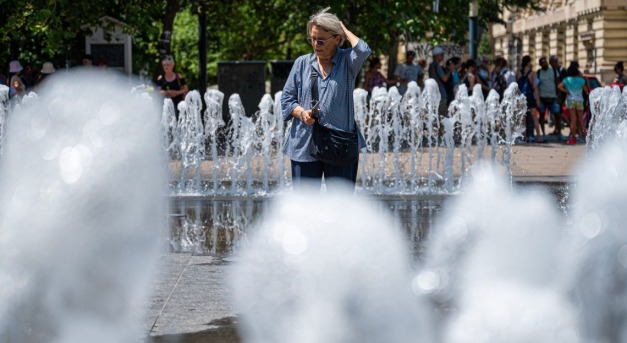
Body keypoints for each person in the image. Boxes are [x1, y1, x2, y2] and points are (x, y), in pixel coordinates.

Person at [280, 7, 371, 189]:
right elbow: (287, 99)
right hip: (305, 143)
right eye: (312, 39)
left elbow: (363, 49)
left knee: (341, 206)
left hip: (340, 144)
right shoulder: (302, 63)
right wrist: (301, 113)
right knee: (305, 205)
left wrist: (344, 30)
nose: (315, 44)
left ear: (337, 39)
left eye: (321, 40)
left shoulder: (347, 61)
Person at [537, 57, 567, 140]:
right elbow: (537, 86)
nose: (544, 64)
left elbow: (558, 84)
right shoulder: (539, 72)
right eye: (542, 63)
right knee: (542, 116)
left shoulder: (553, 71)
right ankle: (543, 133)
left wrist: (559, 96)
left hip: (553, 97)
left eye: (545, 62)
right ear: (540, 65)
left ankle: (559, 133)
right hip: (542, 97)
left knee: (557, 115)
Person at [558, 61, 588, 145]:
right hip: (579, 101)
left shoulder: (566, 80)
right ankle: (585, 137)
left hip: (570, 100)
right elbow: (586, 90)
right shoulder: (581, 80)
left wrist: (566, 90)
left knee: (573, 120)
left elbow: (559, 86)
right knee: (581, 120)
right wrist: (586, 81)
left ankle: (573, 138)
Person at [517, 55, 544, 143]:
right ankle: (539, 137)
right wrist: (538, 99)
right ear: (529, 62)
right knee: (534, 118)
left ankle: (524, 137)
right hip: (530, 98)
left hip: (521, 98)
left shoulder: (518, 72)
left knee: (523, 119)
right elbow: (535, 87)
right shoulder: (532, 73)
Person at [429, 46, 451, 120]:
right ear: (437, 56)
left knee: (435, 115)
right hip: (441, 93)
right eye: (442, 55)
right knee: (442, 116)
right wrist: (449, 71)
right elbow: (444, 79)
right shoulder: (437, 65)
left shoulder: (431, 65)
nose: (443, 57)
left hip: (433, 93)